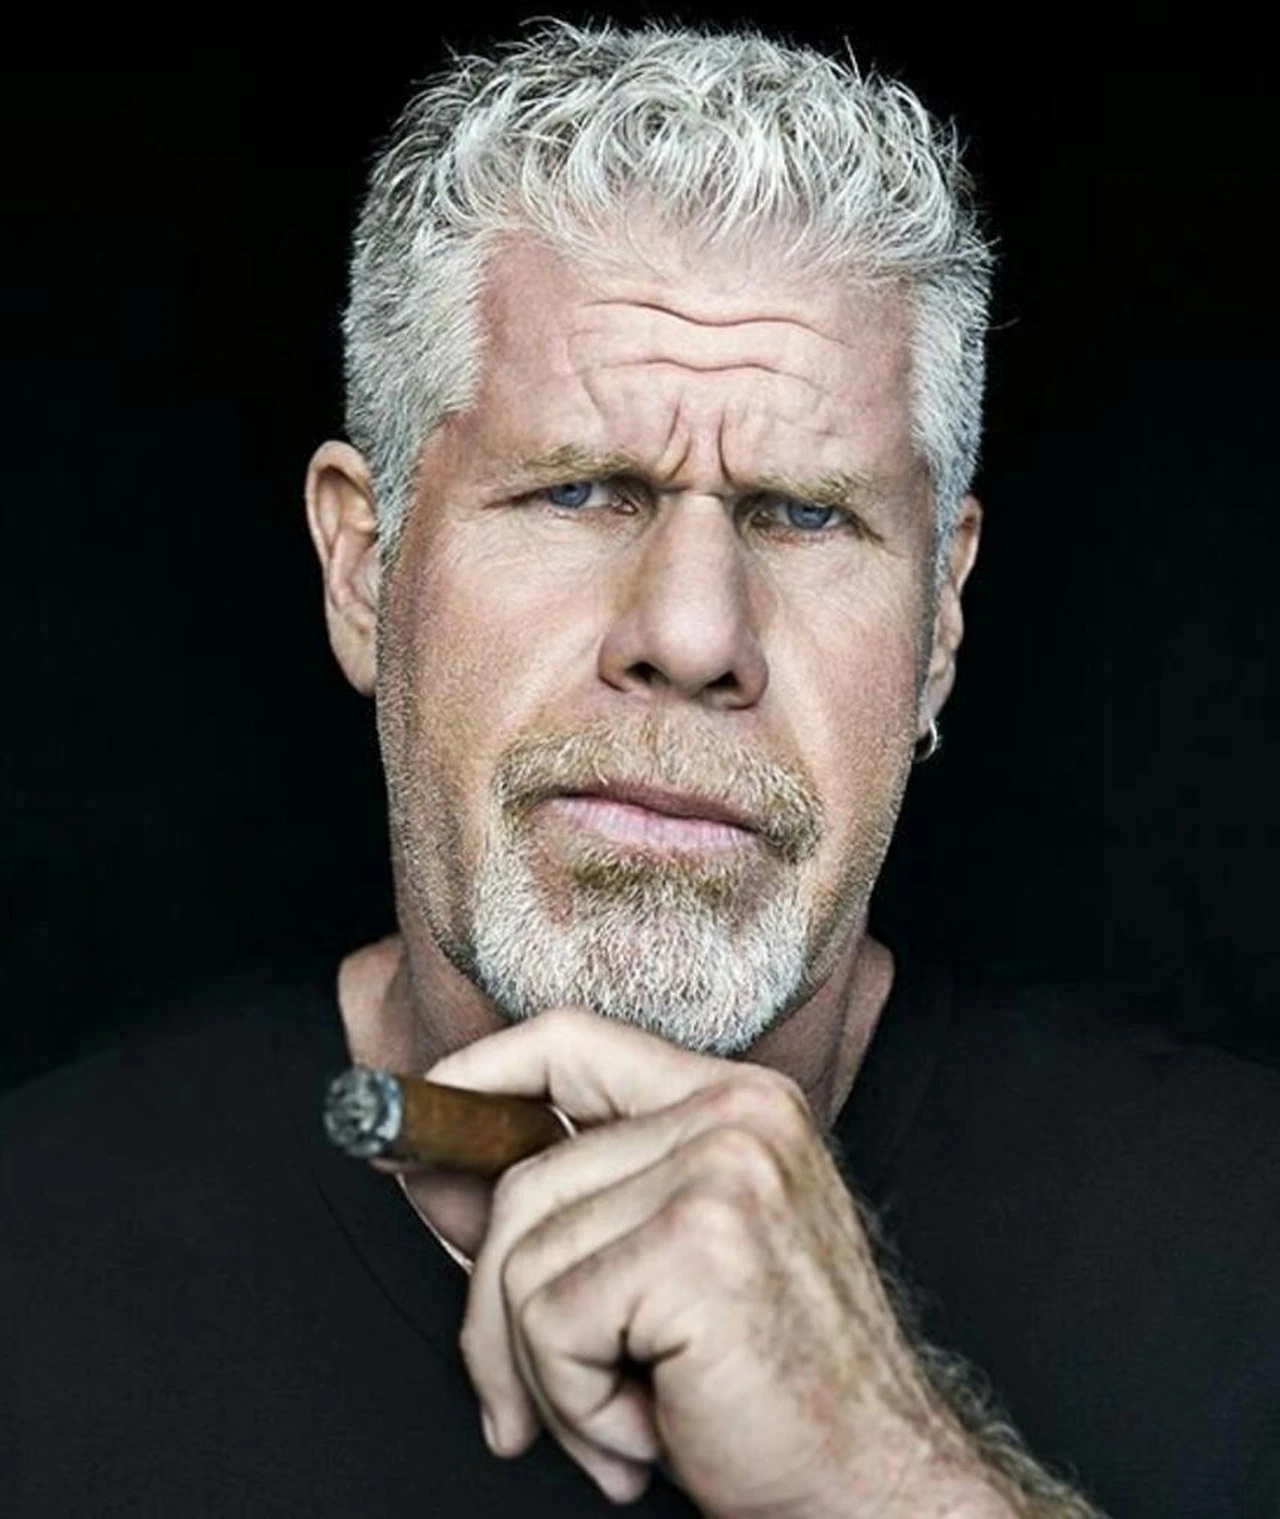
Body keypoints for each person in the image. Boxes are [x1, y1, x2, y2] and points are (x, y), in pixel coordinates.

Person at [2, 22, 1277, 1519]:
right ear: (362, 567)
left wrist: (891, 1478)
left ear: (940, 621)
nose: (691, 635)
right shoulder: (32, 1265)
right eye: (582, 490)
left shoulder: (1247, 1255)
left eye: (806, 514)